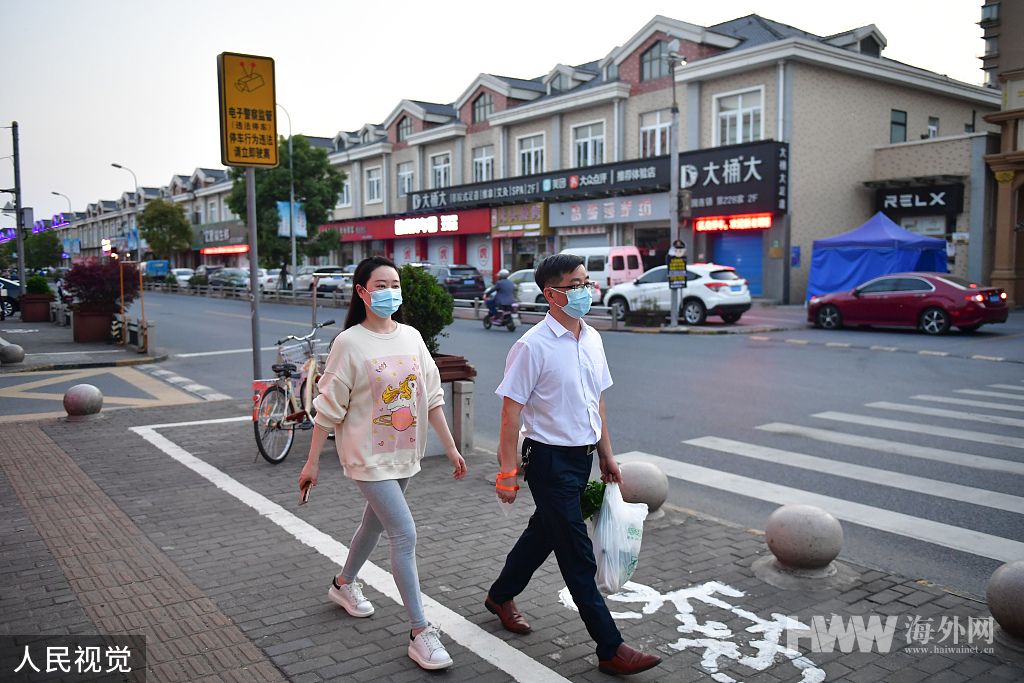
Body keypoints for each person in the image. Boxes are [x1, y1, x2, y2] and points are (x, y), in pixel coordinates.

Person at [485, 254, 662, 677]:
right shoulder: (531, 345)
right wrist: (507, 472)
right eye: (575, 285)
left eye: (587, 282)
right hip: (547, 460)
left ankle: (500, 594)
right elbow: (511, 414)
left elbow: (595, 401)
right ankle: (610, 647)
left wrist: (607, 455)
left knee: (543, 533)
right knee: (577, 555)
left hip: (581, 458)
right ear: (551, 293)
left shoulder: (592, 338)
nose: (585, 291)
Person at [298, 256, 468, 671]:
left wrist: (450, 447)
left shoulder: (411, 336)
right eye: (380, 284)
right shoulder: (349, 342)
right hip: (366, 455)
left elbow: (431, 397)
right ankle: (419, 630)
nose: (389, 290)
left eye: (395, 283)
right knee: (404, 534)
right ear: (362, 291)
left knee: (373, 525)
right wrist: (311, 463)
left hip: (403, 453)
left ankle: (342, 584)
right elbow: (329, 408)